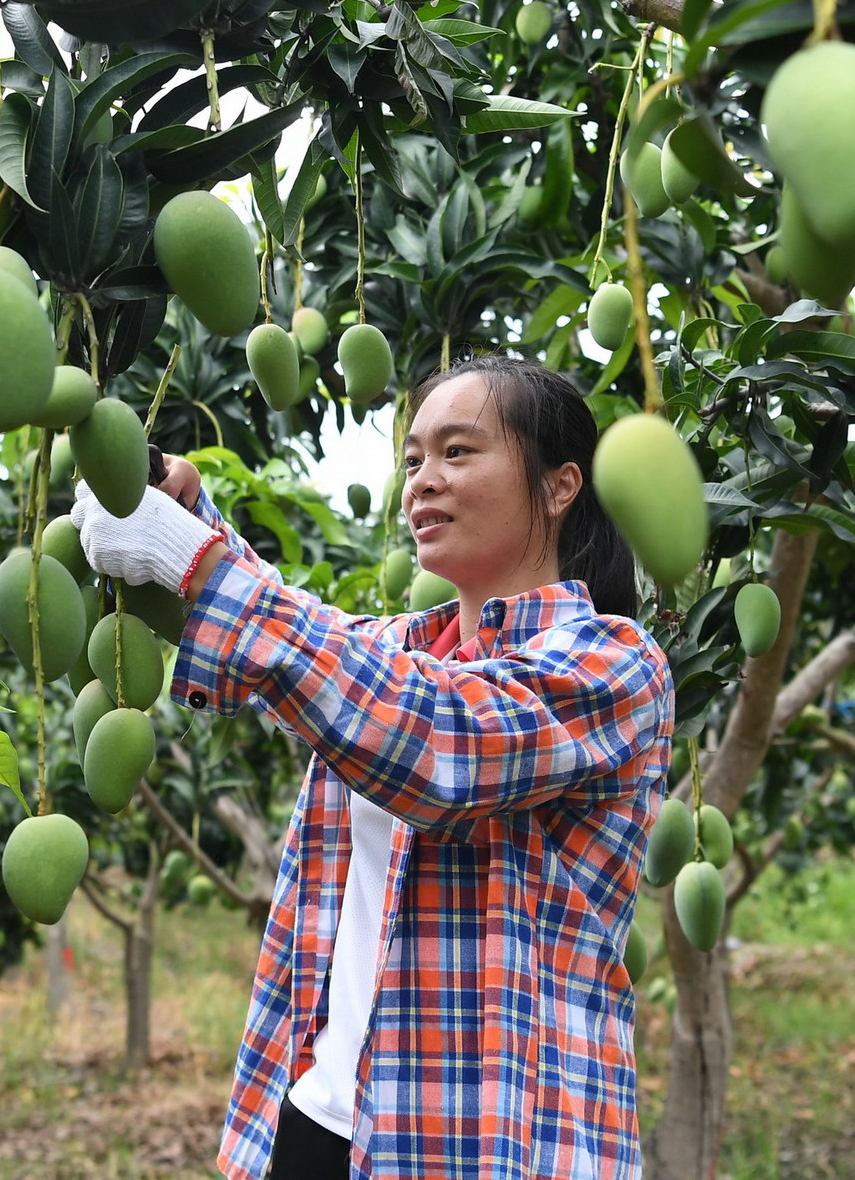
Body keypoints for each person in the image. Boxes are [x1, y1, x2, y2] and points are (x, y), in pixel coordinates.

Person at [69, 355, 676, 1180]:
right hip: (321, 1122)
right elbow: (312, 649)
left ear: (560, 485)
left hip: (488, 1147)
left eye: (458, 452)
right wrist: (186, 510)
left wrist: (200, 562)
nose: (424, 480)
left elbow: (438, 744)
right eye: (414, 458)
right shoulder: (395, 652)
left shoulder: (614, 664)